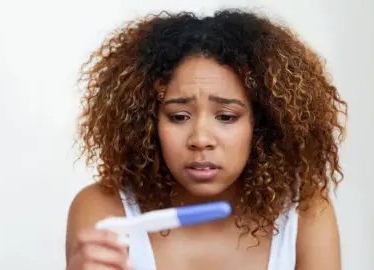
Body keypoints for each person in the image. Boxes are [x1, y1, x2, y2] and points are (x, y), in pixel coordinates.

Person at [66, 8, 347, 270]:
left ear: (262, 124)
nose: (200, 139)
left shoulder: (305, 213)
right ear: (149, 122)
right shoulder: (108, 214)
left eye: (226, 117)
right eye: (178, 116)